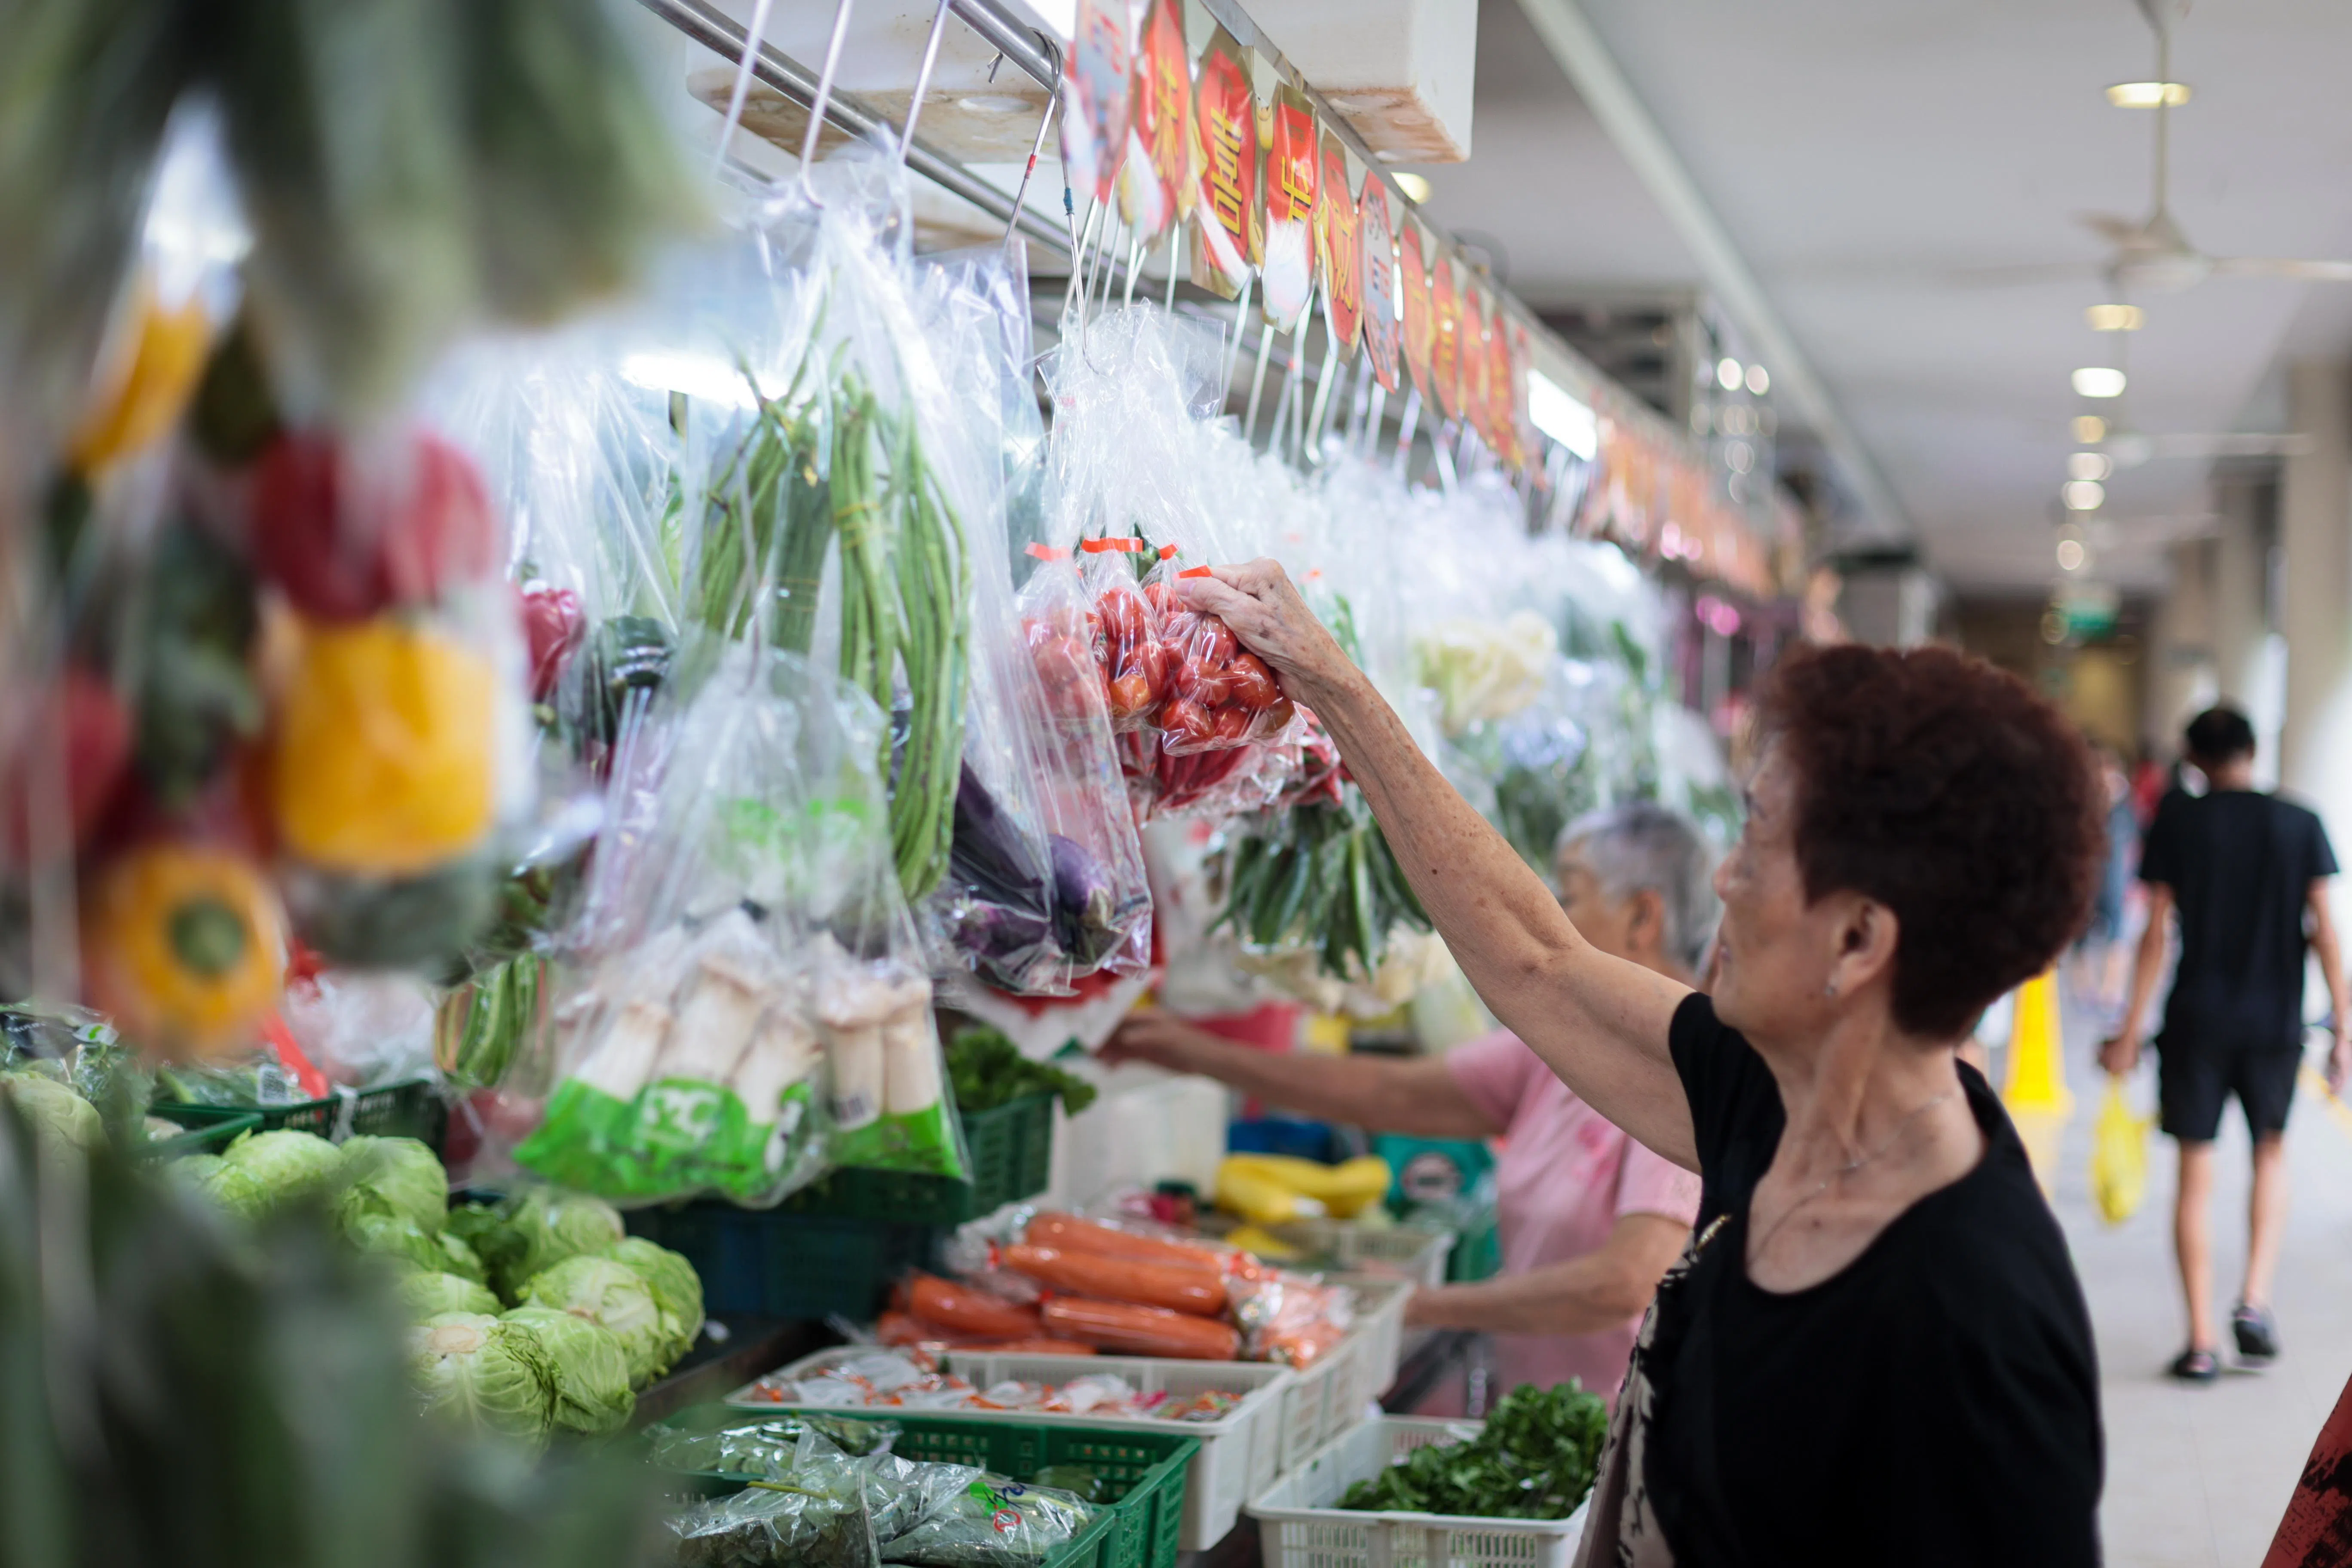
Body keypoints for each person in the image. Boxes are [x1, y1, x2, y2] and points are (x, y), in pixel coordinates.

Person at [1180, 560, 2105, 1566]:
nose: (1722, 877)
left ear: (1857, 942)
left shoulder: (1979, 1321)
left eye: (1756, 840)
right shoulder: (1769, 1097)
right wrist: (1333, 686)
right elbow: (1535, 958)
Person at [1106, 802, 1712, 1407]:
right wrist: (1197, 1054)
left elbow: (1627, 1282)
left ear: (1643, 917)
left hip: (1625, 1427)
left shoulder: (1682, 1073)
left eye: (1569, 895)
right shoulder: (1568, 1048)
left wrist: (1423, 1305)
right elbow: (1391, 1093)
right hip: (1544, 1403)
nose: (1551, 917)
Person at [2101, 705, 2350, 1383]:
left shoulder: (2181, 820)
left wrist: (2127, 1032)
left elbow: (2155, 932)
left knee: (2195, 1172)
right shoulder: (2300, 822)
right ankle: (2254, 1298)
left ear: (2197, 760)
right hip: (2276, 1023)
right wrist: (2344, 1029)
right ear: (2251, 749)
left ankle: (2203, 1340)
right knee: (2271, 1153)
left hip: (2196, 1021)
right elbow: (2325, 930)